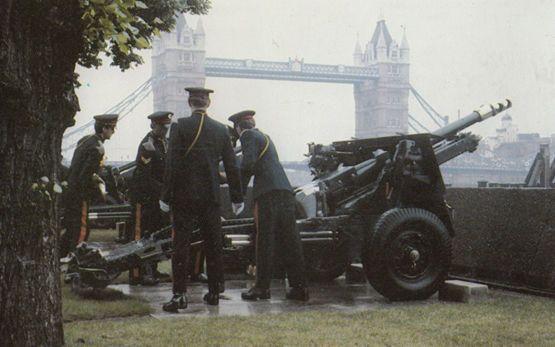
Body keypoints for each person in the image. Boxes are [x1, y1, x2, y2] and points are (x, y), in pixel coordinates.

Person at [160, 87, 244, 312]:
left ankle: (179, 295)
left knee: (181, 245)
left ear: (190, 103)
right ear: (208, 104)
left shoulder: (179, 127)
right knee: (213, 244)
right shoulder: (220, 130)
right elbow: (231, 166)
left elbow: (172, 164)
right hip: (211, 196)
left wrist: (166, 195)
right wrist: (237, 197)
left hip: (184, 196)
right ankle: (215, 291)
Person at [228, 110, 309, 302]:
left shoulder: (247, 136)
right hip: (285, 191)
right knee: (291, 242)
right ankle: (300, 288)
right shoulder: (265, 137)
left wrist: (237, 194)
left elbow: (247, 165)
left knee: (264, 241)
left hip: (268, 194)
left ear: (239, 128)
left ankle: (261, 289)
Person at [60, 114, 118, 257]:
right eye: (112, 128)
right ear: (104, 128)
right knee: (81, 230)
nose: (113, 132)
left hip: (71, 191)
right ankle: (74, 260)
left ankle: (62, 258)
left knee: (71, 228)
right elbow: (85, 177)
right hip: (81, 195)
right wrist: (99, 190)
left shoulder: (86, 140)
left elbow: (78, 169)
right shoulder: (98, 149)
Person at [128, 111, 173, 285]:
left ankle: (152, 269)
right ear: (153, 125)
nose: (164, 130)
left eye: (166, 126)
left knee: (155, 234)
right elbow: (144, 177)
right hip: (144, 198)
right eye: (162, 126)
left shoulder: (163, 143)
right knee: (141, 234)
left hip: (157, 198)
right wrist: (163, 190)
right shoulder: (147, 145)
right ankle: (138, 273)